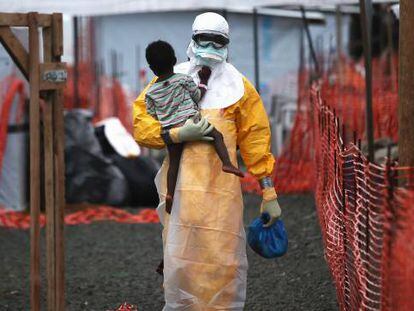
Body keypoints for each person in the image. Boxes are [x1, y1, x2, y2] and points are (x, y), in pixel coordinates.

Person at [133, 12, 282, 310]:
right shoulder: (167, 80)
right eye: (205, 39)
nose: (211, 46)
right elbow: (141, 126)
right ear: (193, 39)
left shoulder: (240, 89)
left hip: (222, 198)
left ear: (227, 43)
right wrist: (174, 134)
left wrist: (269, 192)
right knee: (181, 260)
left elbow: (256, 141)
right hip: (181, 193)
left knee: (223, 261)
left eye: (218, 41)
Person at [144, 40, 244, 214]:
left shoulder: (151, 92)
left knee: (174, 163)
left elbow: (151, 112)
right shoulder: (183, 79)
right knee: (216, 136)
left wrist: (167, 116)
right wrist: (203, 80)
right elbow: (198, 96)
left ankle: (169, 194)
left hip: (170, 130)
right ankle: (227, 163)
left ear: (151, 68)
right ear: (175, 60)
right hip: (192, 122)